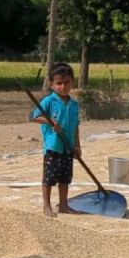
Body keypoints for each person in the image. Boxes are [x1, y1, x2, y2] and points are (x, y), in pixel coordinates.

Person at [31, 63, 83, 218]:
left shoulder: (74, 105)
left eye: (67, 83)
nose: (63, 87)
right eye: (59, 83)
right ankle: (47, 206)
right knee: (49, 178)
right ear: (52, 84)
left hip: (68, 147)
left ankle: (64, 205)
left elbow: (75, 126)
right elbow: (35, 116)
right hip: (53, 147)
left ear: (72, 82)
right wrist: (50, 121)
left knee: (65, 178)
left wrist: (77, 145)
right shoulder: (49, 101)